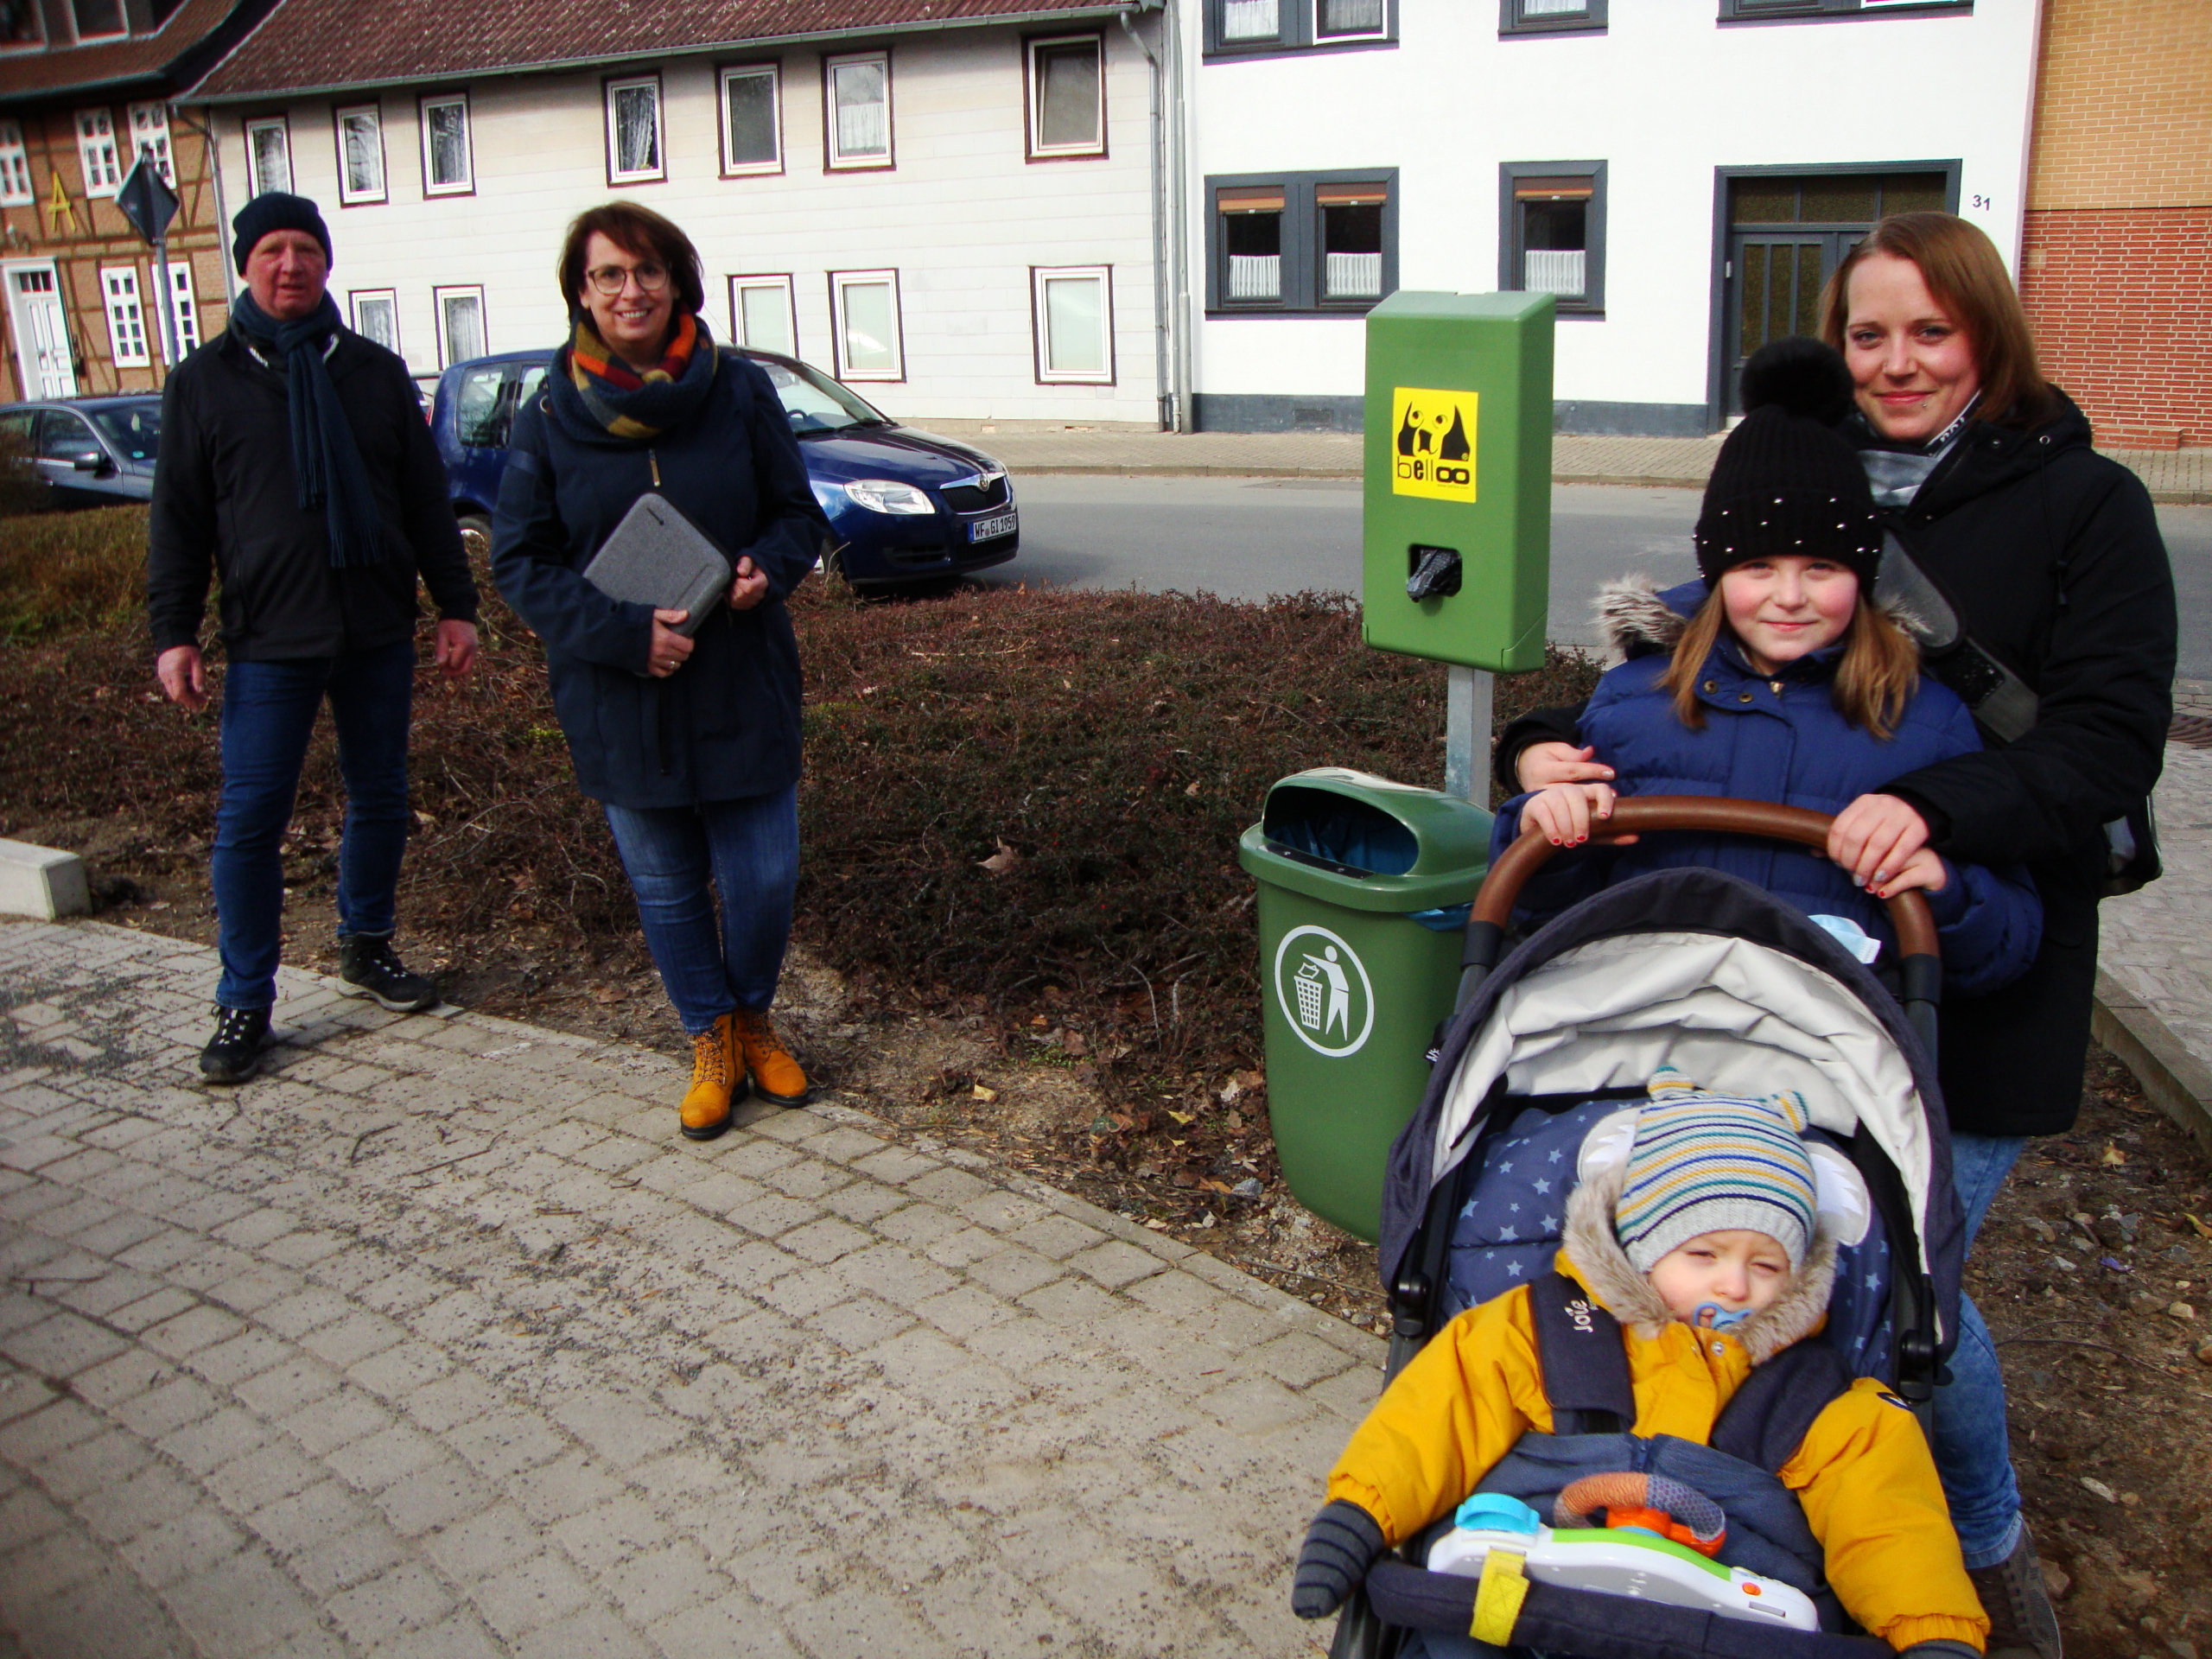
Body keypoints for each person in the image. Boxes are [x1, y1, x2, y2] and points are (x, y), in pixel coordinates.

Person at [1501, 216, 2176, 1659]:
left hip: (1951, 938)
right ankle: (1723, 1482)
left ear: (1987, 335)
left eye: (1931, 331)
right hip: (1735, 979)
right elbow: (1678, 656)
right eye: (1871, 333)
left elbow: (2110, 746)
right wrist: (1548, 757)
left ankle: (1976, 1537)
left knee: (1908, 1291)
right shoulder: (1805, 473)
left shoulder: (2082, 503)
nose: (1899, 362)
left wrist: (1918, 818)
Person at [1293, 1072, 1990, 1658]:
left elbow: (1889, 1520)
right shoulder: (1546, 1331)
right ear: (1641, 1246)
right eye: (1704, 1255)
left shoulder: (1815, 1398)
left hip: (1725, 1625)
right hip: (1524, 1595)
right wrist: (1360, 1515)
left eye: (1767, 1264)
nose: (1735, 1287)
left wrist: (1933, 1633)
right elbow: (1437, 1415)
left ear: (1801, 1271)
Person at [1495, 338, 2043, 1000]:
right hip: (1643, 1032)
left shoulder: (1926, 720)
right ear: (1717, 574)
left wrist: (1946, 891)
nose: (1789, 596)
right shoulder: (1635, 699)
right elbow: (1542, 903)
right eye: (1758, 567)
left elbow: (2007, 941)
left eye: (1821, 567)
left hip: (1828, 1058)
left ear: (1862, 576)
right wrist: (1549, 828)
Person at [491, 202, 828, 1142]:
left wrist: (771, 565)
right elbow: (519, 561)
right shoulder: (548, 409)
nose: (629, 291)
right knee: (668, 887)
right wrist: (620, 635)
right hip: (620, 694)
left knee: (762, 878)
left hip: (740, 675)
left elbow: (799, 515)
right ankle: (710, 1039)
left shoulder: (741, 390)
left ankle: (755, 1016)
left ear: (677, 280)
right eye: (608, 275)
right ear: (581, 293)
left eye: (646, 271)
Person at [147, 191, 480, 1086]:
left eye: (305, 249)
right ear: (246, 265)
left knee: (380, 794)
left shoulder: (372, 373)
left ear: (326, 264)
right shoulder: (206, 381)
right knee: (250, 820)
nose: (289, 265)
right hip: (268, 636)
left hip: (374, 627)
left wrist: (456, 605)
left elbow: (424, 503)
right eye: (271, 251)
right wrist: (173, 631)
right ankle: (244, 997)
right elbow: (178, 521)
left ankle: (365, 943)